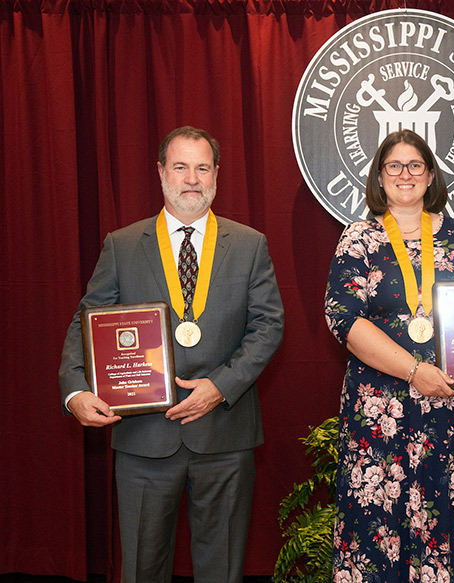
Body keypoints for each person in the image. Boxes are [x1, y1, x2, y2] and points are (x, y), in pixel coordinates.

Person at [58, 126, 284, 583]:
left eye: (202, 168)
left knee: (222, 571)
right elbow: (87, 322)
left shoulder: (249, 244)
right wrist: (76, 390)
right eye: (180, 167)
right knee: (142, 568)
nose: (192, 179)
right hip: (143, 437)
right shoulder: (122, 245)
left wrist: (220, 388)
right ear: (161, 172)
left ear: (217, 174)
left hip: (225, 435)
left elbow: (268, 326)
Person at [324, 129, 454, 581]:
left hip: (450, 412)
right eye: (394, 165)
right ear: (379, 176)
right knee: (374, 534)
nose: (405, 174)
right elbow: (344, 321)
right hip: (379, 414)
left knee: (450, 532)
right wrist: (415, 371)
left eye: (415, 165)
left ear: (431, 174)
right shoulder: (359, 238)